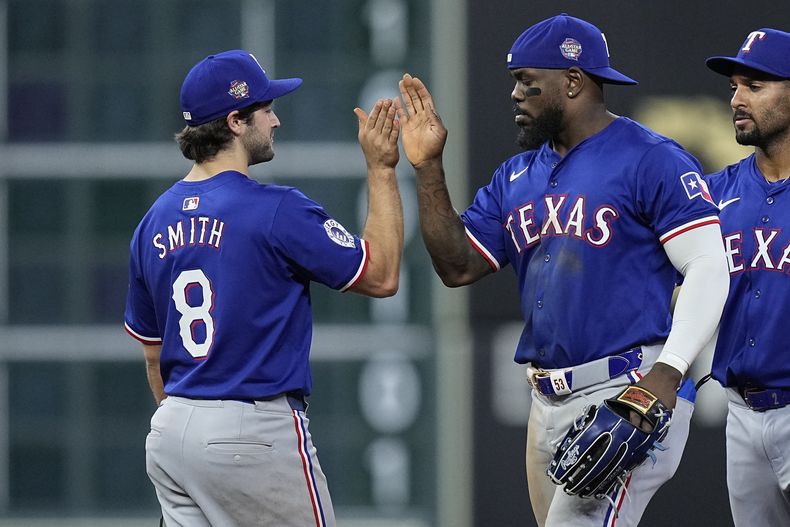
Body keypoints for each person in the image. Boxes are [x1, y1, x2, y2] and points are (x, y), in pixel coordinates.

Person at [396, 13, 729, 527]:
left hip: (628, 389)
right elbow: (457, 266)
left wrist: (667, 374)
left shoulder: (651, 158)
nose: (515, 95)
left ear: (573, 81)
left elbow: (709, 265)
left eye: (528, 83)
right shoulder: (517, 174)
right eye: (515, 83)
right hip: (547, 401)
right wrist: (427, 169)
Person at [123, 49, 403, 527]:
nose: (275, 121)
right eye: (266, 109)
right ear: (235, 121)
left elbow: (154, 356)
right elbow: (381, 275)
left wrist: (195, 425)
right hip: (251, 431)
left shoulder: (152, 222)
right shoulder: (276, 209)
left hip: (172, 431)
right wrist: (380, 169)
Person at [703, 28, 790, 526]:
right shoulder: (714, 195)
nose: (736, 99)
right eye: (735, 85)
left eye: (755, 86)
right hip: (742, 412)